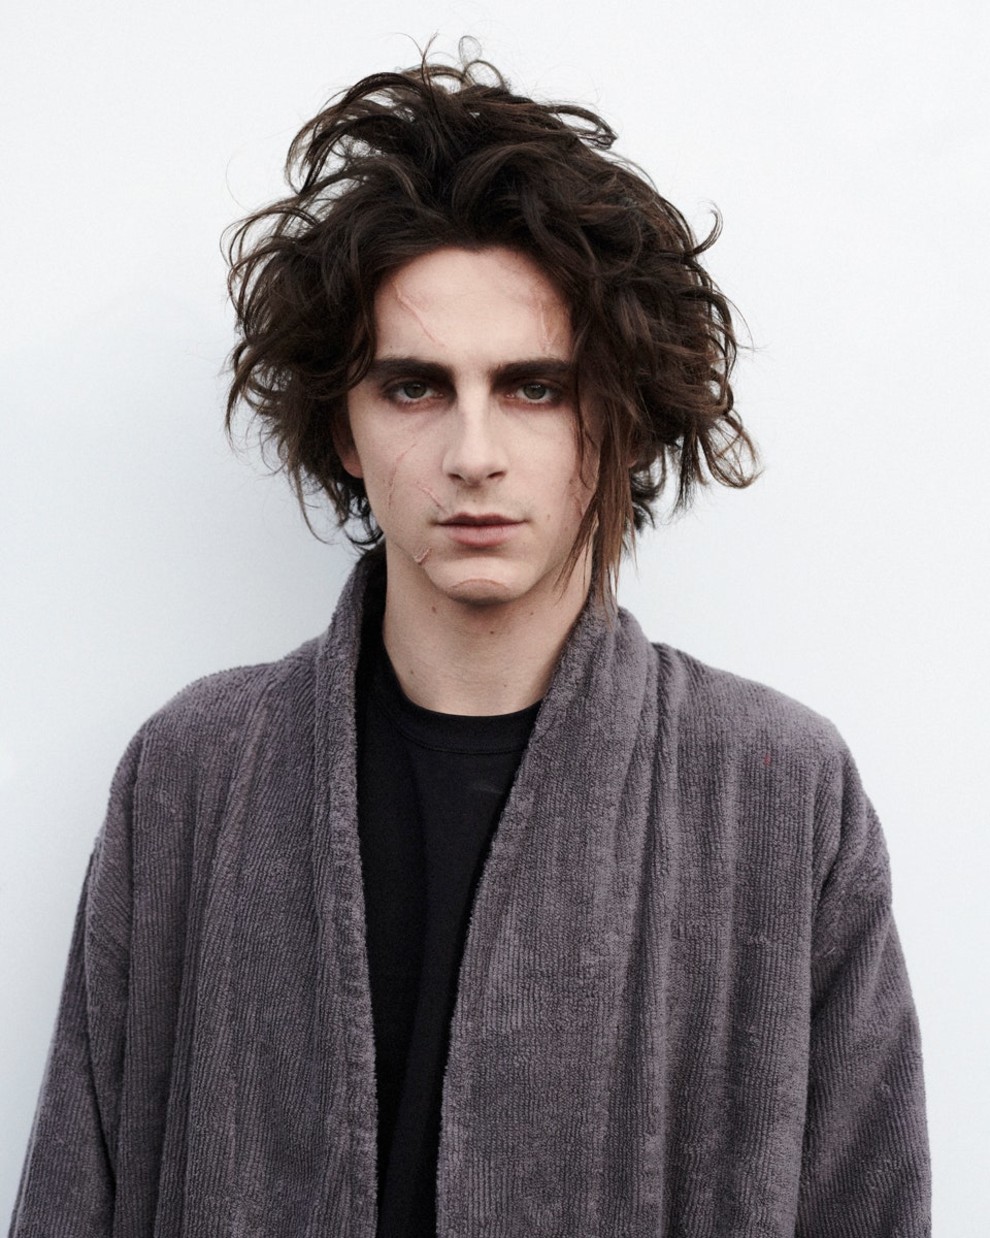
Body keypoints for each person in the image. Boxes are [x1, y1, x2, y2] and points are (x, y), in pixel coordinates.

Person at [9, 49, 930, 1238]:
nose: (474, 454)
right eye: (415, 386)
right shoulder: (193, 774)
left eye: (536, 386)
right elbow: (71, 1194)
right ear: (344, 428)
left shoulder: (779, 791)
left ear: (620, 419)